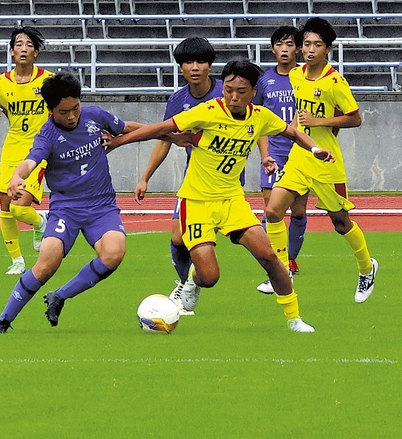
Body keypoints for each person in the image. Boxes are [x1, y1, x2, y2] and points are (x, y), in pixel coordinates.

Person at [105, 60, 335, 333]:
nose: (233, 96)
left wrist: (315, 149)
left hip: (232, 201)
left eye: (241, 91)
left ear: (253, 92)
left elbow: (293, 132)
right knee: (210, 277)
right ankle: (193, 279)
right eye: (228, 90)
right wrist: (119, 141)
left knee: (270, 258)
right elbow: (162, 128)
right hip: (197, 202)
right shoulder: (209, 112)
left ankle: (294, 318)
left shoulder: (260, 116)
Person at [0, 72, 144, 334]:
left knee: (114, 253)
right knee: (47, 263)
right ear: (50, 110)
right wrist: (17, 175)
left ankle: (59, 296)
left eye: (75, 108)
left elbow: (127, 127)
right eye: (64, 112)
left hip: (101, 206)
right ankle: (3, 320)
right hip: (66, 210)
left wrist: (168, 132)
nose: (72, 116)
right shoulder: (46, 135)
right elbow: (31, 161)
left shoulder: (95, 115)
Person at [264, 18, 379, 303]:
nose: (310, 49)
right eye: (306, 44)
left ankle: (367, 268)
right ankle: (282, 272)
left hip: (327, 163)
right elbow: (299, 112)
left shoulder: (335, 81)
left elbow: (355, 118)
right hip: (300, 157)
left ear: (328, 48)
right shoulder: (296, 76)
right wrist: (294, 132)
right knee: (273, 212)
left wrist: (321, 121)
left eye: (317, 44)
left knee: (340, 222)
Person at [134, 37, 223, 316]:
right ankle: (186, 284)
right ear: (180, 67)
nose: (195, 67)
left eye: (200, 61)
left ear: (210, 65)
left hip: (224, 180)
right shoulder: (177, 100)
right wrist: (145, 176)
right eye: (188, 62)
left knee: (207, 241)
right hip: (192, 178)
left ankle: (194, 282)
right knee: (176, 238)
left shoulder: (226, 92)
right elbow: (164, 138)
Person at [0, 27, 52, 275]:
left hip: (38, 150)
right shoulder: (0, 83)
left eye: (29, 44)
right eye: (19, 44)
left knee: (19, 207)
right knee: (4, 205)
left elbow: (64, 110)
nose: (23, 48)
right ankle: (17, 260)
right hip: (11, 148)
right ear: (11, 51)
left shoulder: (48, 81)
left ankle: (40, 221)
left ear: (36, 53)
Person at [254, 26, 309, 294]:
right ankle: (277, 266)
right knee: (271, 212)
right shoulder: (264, 81)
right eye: (279, 44)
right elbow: (258, 121)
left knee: (298, 210)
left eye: (289, 44)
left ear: (298, 48)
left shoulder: (306, 78)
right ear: (273, 49)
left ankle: (291, 259)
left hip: (300, 153)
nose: (284, 49)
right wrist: (264, 154)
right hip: (274, 153)